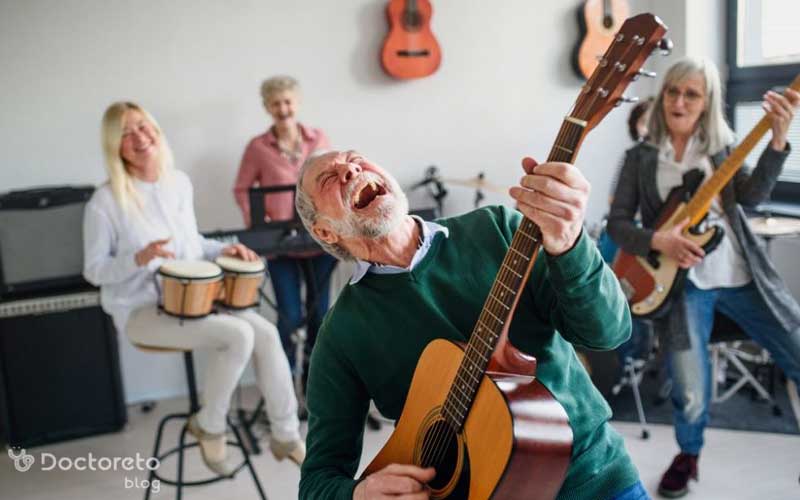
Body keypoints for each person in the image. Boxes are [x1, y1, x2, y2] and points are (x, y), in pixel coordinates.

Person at [295, 150, 650, 500]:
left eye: (356, 159)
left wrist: (571, 244)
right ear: (325, 232)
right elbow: (317, 483)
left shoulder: (497, 228)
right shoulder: (341, 333)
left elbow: (608, 332)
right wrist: (359, 494)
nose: (350, 170)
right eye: (329, 178)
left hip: (596, 480)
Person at [608, 57, 800, 498]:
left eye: (691, 93)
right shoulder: (639, 158)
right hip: (683, 287)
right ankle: (688, 455)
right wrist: (660, 241)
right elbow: (618, 224)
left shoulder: (723, 150)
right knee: (691, 391)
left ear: (707, 101)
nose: (679, 101)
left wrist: (778, 138)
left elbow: (752, 198)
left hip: (741, 276)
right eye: (672, 92)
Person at [83, 101, 305, 476]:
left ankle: (286, 435)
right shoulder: (105, 202)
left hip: (194, 303)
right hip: (141, 312)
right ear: (114, 147)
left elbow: (193, 245)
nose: (138, 137)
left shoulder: (178, 183)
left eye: (142, 126)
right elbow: (94, 271)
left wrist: (226, 247)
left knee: (265, 333)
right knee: (237, 334)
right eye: (124, 133)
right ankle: (210, 424)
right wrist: (138, 259)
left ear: (155, 128)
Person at [233, 76, 336, 383]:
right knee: (289, 317)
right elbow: (241, 189)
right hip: (281, 245)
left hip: (319, 240)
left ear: (297, 103)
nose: (283, 108)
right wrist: (259, 223)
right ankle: (283, 380)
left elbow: (329, 180)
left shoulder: (318, 139)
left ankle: (314, 379)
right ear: (267, 107)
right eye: (275, 103)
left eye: (287, 101)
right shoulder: (257, 147)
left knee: (321, 316)